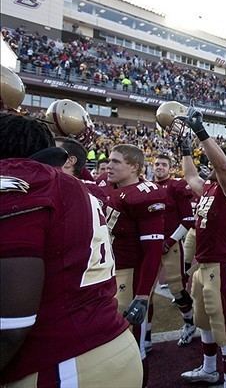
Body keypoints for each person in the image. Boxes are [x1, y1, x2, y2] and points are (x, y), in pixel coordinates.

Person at [0, 113, 142, 387]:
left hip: (63, 362)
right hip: (109, 341)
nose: (109, 166)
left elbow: (11, 323)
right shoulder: (80, 188)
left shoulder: (23, 181)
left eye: (116, 161)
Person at [178, 109, 226, 388]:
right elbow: (190, 177)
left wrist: (202, 134)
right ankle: (209, 369)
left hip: (223, 264)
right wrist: (185, 149)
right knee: (204, 321)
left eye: (209, 160)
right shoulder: (209, 188)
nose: (205, 166)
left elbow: (221, 169)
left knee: (225, 329)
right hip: (204, 263)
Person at [104, 144, 166, 385]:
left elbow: (152, 250)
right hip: (109, 270)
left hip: (129, 274)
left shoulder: (144, 194)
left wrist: (142, 295)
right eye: (109, 161)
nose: (109, 166)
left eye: (116, 162)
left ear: (135, 167)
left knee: (131, 343)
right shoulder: (110, 188)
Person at [151, 154, 196, 347]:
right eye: (157, 164)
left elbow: (187, 220)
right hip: (150, 245)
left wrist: (169, 241)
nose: (159, 167)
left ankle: (189, 322)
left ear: (170, 167)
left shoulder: (176, 186)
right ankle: (145, 337)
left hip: (170, 244)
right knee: (145, 290)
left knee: (176, 288)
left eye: (163, 164)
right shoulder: (147, 187)